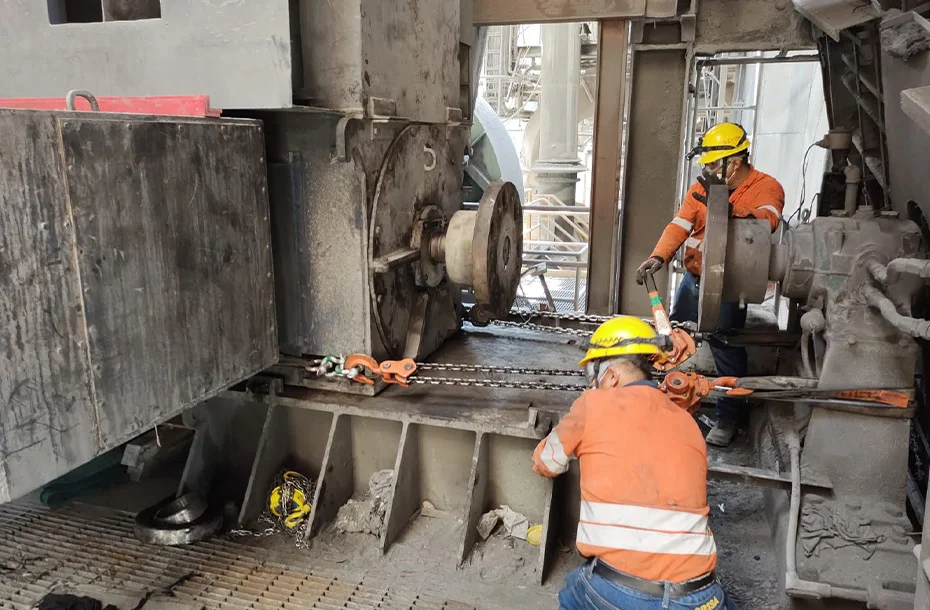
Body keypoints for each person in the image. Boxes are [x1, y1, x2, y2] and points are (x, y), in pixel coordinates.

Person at [533, 316, 738, 610]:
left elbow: (546, 463)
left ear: (612, 377)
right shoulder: (688, 423)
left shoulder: (592, 404)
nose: (593, 385)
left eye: (595, 377)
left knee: (573, 595)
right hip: (702, 596)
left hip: (625, 593)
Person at [635, 122, 785, 447]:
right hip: (696, 278)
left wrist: (728, 209)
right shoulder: (703, 189)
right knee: (673, 336)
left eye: (715, 164)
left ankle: (729, 417)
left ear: (736, 162)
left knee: (726, 345)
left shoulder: (766, 187)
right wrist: (658, 257)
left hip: (730, 285)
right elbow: (679, 225)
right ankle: (669, 397)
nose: (709, 170)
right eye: (707, 164)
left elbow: (767, 219)